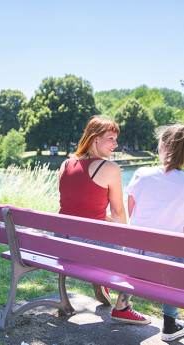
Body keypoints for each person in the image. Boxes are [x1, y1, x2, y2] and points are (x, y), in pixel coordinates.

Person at [58, 115, 149, 324]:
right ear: (95, 139)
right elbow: (118, 212)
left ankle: (102, 283)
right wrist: (130, 239)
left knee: (107, 237)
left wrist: (105, 219)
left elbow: (77, 207)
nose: (116, 144)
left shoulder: (65, 165)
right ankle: (122, 307)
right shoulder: (109, 168)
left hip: (63, 244)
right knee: (138, 252)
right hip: (91, 248)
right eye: (111, 138)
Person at [113, 124, 184, 340]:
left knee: (139, 243)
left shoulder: (141, 174)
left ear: (162, 146)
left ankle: (122, 305)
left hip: (135, 258)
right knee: (177, 251)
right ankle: (170, 323)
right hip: (166, 262)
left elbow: (133, 213)